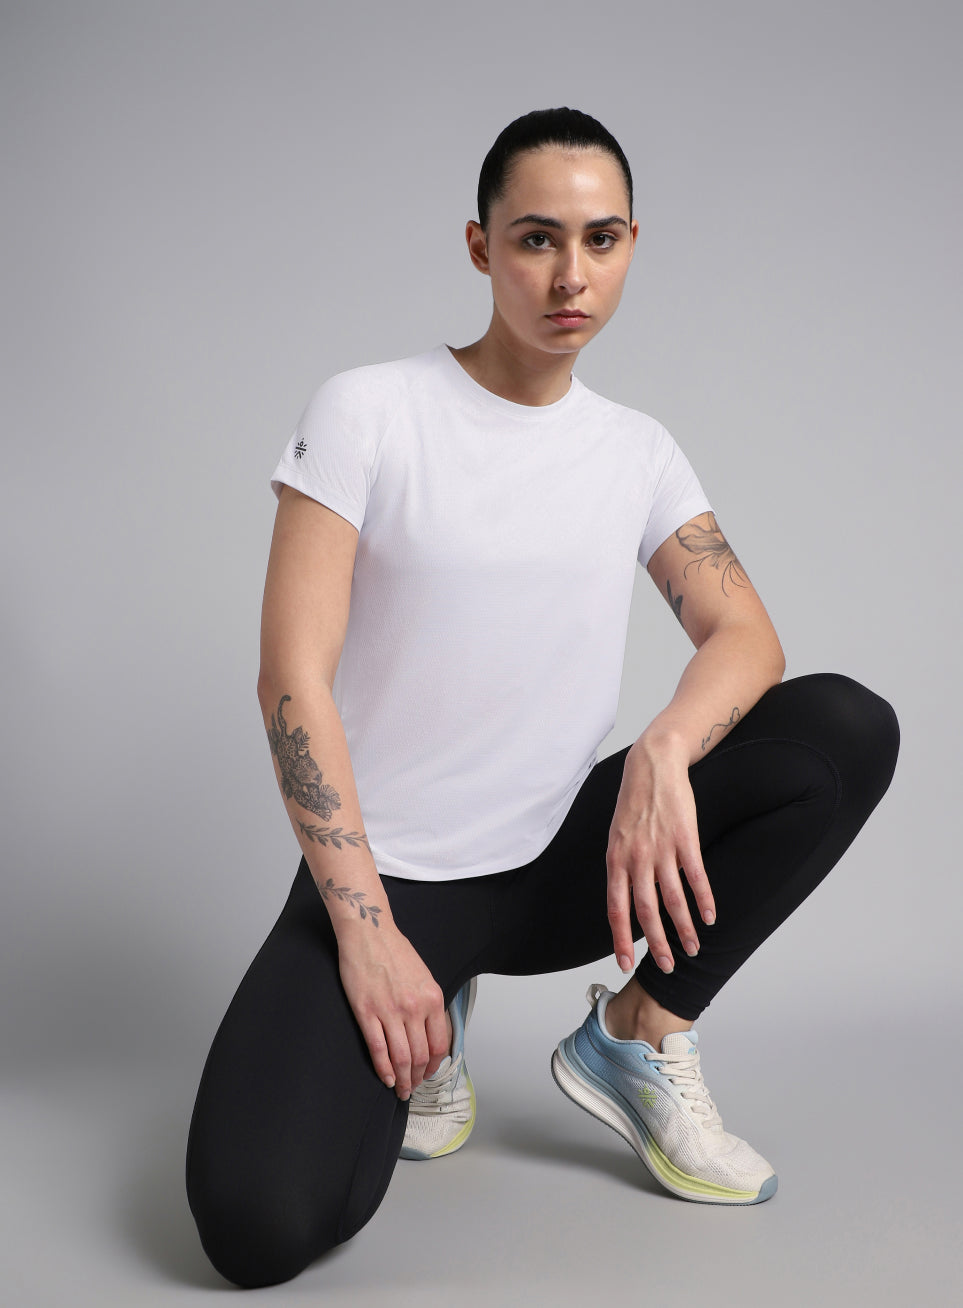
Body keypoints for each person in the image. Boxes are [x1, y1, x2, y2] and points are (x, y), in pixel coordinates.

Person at [185, 108, 899, 1288]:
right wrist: (366, 933)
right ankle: (436, 1016)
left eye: (600, 239)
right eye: (536, 239)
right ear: (480, 247)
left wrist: (664, 749)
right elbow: (290, 681)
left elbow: (747, 636)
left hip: (564, 860)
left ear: (631, 247)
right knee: (259, 1225)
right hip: (392, 884)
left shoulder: (635, 450)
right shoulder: (370, 410)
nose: (572, 276)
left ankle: (639, 1035)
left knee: (843, 730)